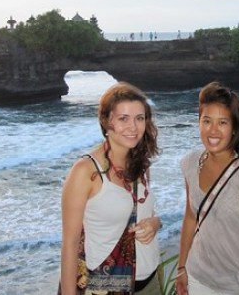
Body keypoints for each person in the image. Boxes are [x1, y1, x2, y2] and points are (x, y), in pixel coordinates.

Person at [60, 82, 163, 295]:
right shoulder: (85, 171)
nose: (133, 127)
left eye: (139, 118)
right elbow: (69, 245)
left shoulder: (139, 162)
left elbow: (145, 211)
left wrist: (155, 223)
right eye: (123, 118)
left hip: (151, 281)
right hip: (107, 288)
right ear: (106, 121)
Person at [176, 81, 239, 295]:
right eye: (207, 121)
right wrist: (181, 267)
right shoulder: (190, 163)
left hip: (237, 286)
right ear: (198, 123)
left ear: (235, 128)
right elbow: (191, 217)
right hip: (197, 277)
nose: (213, 130)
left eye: (222, 122)